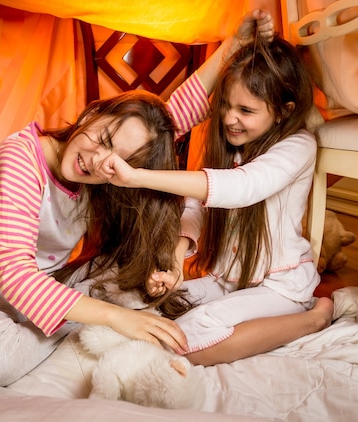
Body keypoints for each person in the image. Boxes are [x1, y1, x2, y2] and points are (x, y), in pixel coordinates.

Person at [0, 10, 276, 387]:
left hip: (60, 282)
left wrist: (234, 45)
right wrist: (115, 318)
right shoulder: (21, 160)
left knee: (146, 296)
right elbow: (17, 277)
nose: (97, 161)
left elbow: (174, 117)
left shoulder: (109, 164)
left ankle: (76, 329)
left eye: (116, 161)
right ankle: (82, 331)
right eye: (102, 140)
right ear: (92, 113)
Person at [95, 35, 335, 366]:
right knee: (141, 301)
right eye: (225, 104)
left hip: (281, 287)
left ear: (283, 112)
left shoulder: (298, 146)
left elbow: (243, 186)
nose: (228, 118)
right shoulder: (231, 147)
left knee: (186, 336)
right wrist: (176, 264)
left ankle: (312, 319)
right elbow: (196, 208)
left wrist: (136, 177)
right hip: (227, 280)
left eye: (245, 110)